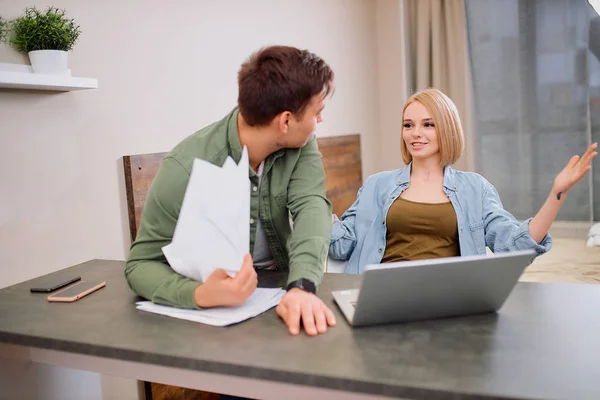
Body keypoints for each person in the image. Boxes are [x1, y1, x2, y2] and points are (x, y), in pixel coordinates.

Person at [126, 45, 337, 337]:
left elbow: (312, 207)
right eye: (318, 112)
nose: (320, 121)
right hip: (214, 317)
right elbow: (140, 265)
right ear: (286, 121)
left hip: (281, 291)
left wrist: (302, 286)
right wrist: (199, 294)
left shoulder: (301, 144)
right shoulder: (185, 167)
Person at [330, 88, 598, 273]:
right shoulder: (378, 185)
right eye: (408, 125)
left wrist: (556, 194)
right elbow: (341, 245)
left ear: (446, 128)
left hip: (448, 297)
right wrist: (314, 205)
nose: (415, 134)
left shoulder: (475, 189)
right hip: (383, 295)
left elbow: (514, 246)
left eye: (428, 124)